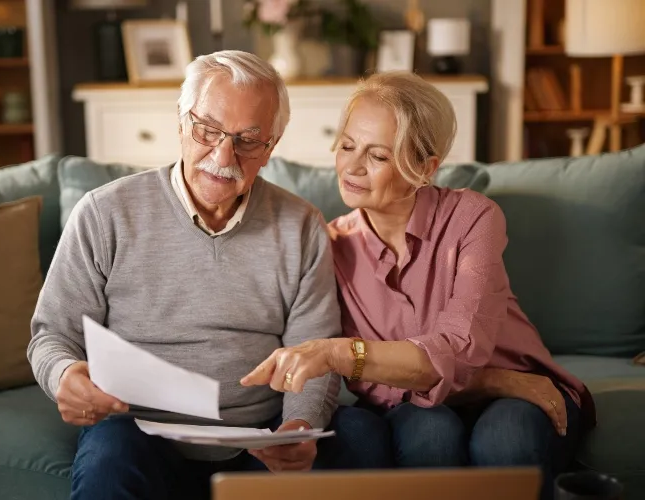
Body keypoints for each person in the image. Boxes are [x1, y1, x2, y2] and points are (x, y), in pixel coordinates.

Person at [27, 50, 366, 500]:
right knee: (110, 457)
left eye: (248, 140)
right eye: (208, 129)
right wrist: (64, 375)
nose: (222, 155)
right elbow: (51, 334)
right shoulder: (104, 212)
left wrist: (298, 427)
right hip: (137, 429)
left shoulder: (301, 226)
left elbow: (313, 357)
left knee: (359, 439)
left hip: (258, 437)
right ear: (182, 122)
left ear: (271, 146)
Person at [241, 71, 596, 500]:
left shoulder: (473, 218)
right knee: (430, 429)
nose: (352, 167)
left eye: (378, 156)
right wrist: (494, 380)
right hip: (433, 403)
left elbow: (460, 347)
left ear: (425, 168)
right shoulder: (330, 245)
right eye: (348, 146)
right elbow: (373, 387)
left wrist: (347, 357)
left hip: (524, 395)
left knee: (505, 436)